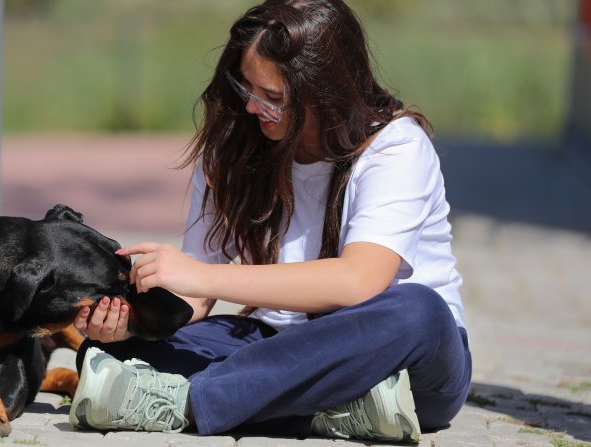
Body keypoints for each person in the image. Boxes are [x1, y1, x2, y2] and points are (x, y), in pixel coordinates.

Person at [69, 0, 471, 443]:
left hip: (395, 353)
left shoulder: (395, 147)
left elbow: (359, 281)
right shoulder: (232, 149)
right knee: (102, 350)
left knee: (419, 311)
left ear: (328, 89)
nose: (254, 107)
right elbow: (194, 296)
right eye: (247, 88)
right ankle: (333, 412)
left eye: (275, 98)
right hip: (273, 341)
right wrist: (133, 323)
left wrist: (205, 277)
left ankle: (186, 403)